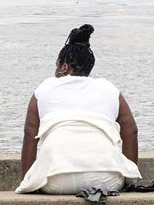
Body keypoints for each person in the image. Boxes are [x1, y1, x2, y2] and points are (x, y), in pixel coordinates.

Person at [17, 25, 140, 194]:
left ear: (64, 67)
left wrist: (27, 181)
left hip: (55, 180)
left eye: (56, 65)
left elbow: (30, 134)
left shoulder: (44, 88)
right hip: (108, 179)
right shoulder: (109, 89)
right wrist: (129, 180)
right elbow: (131, 131)